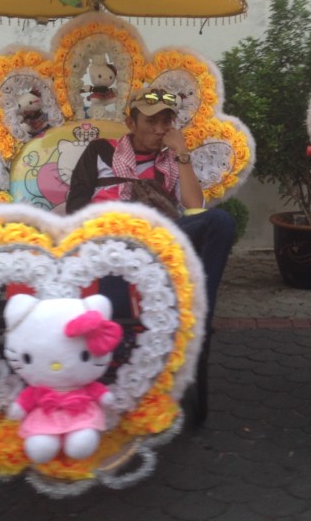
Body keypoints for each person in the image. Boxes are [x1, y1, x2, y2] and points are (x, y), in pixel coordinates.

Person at [67, 86, 236, 421]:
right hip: (111, 240)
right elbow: (77, 205)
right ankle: (120, 354)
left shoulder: (171, 159)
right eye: (151, 121)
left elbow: (193, 207)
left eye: (166, 122)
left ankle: (198, 313)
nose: (159, 130)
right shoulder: (100, 151)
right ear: (131, 122)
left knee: (219, 221)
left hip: (162, 239)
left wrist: (183, 153)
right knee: (118, 253)